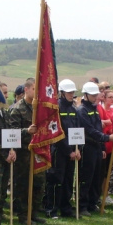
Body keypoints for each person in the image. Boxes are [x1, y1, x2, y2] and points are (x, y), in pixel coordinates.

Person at [7, 78, 49, 224]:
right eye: (34, 89)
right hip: (23, 153)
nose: (36, 93)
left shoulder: (39, 108)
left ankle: (34, 212)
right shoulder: (17, 109)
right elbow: (10, 132)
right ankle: (23, 215)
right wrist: (26, 131)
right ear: (26, 89)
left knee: (39, 183)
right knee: (23, 185)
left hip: (38, 152)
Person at [76, 81, 113, 215]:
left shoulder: (94, 109)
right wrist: (107, 138)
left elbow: (98, 127)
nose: (96, 98)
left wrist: (102, 148)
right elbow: (89, 130)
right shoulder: (82, 110)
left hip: (96, 147)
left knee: (97, 178)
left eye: (96, 95)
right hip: (86, 147)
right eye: (93, 95)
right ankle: (82, 206)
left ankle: (92, 203)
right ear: (86, 95)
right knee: (86, 178)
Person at [45, 79, 82, 217]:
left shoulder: (73, 109)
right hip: (59, 151)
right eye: (69, 92)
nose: (72, 94)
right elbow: (56, 133)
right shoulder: (56, 109)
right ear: (62, 93)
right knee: (55, 181)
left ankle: (66, 209)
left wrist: (78, 148)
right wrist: (69, 151)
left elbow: (78, 130)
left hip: (72, 151)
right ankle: (51, 209)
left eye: (73, 92)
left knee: (68, 181)